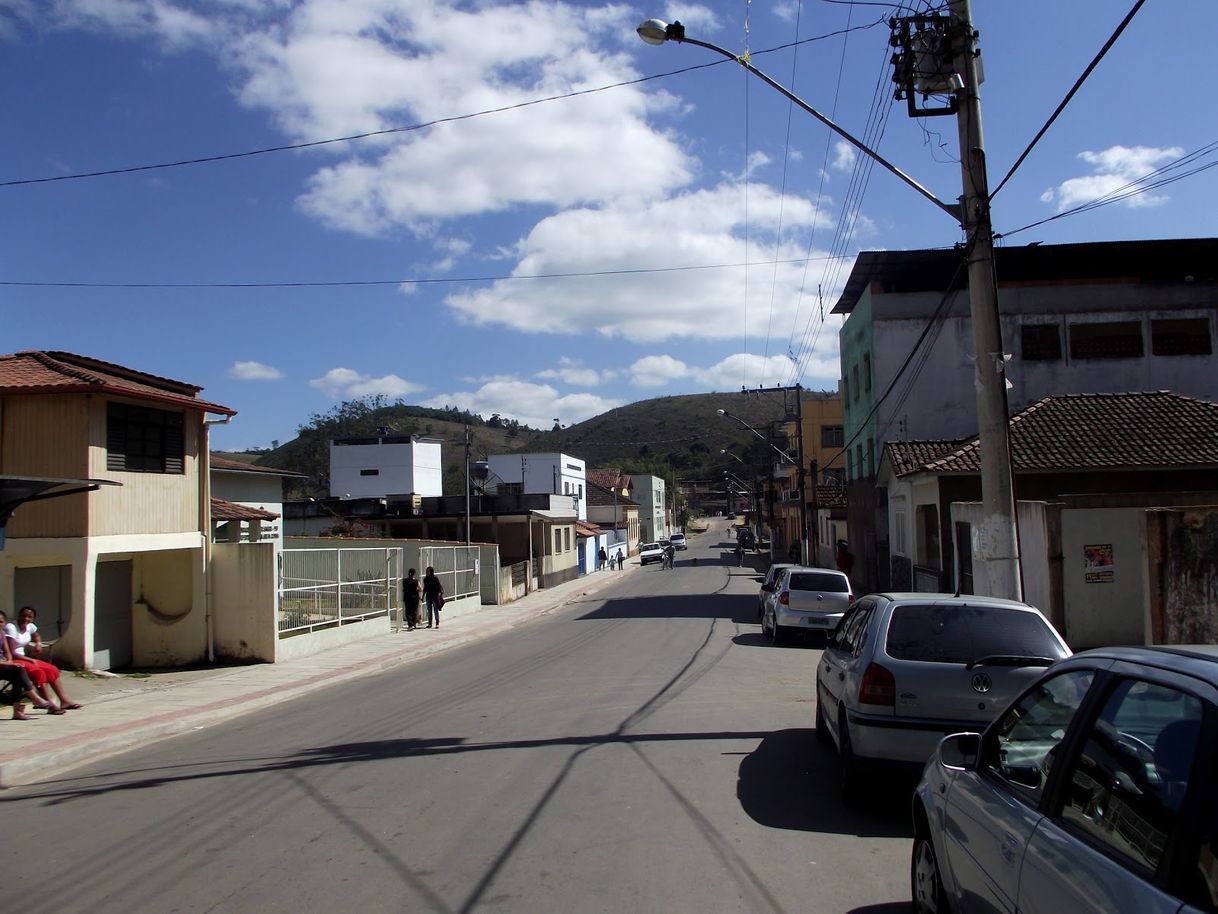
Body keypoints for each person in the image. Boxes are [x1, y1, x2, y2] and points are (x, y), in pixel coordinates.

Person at [3, 606, 81, 710]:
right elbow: (11, 653)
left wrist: (38, 643)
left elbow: (36, 635)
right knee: (37, 671)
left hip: (24, 658)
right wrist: (30, 659)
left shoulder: (30, 626)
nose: (26, 619)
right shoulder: (11, 627)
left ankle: (64, 700)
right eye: (24, 616)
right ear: (19, 616)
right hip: (14, 658)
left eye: (29, 617)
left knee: (52, 669)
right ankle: (49, 704)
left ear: (33, 619)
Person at [0, 611, 63, 719]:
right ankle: (35, 698)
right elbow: (12, 652)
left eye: (1, 622)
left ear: (4, 623)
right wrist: (6, 662)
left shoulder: (1, 634)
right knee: (19, 671)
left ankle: (18, 712)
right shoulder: (11, 629)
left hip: (4, 665)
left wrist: (9, 661)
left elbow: (7, 652)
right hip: (2, 664)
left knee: (18, 673)